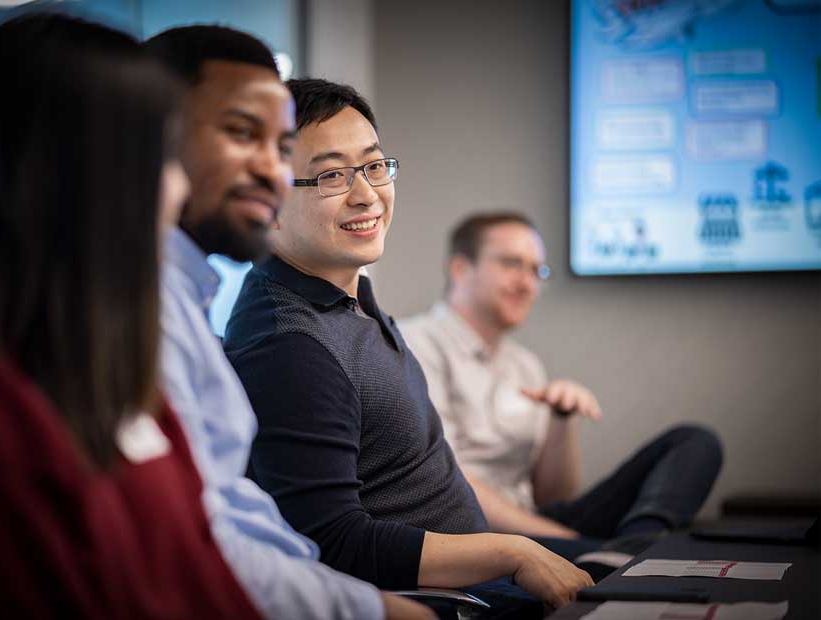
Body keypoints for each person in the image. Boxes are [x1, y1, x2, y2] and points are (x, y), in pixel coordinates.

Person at [0, 13, 258, 618]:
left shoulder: (104, 370)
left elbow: (203, 573)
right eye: (164, 161)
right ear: (85, 177)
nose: (180, 193)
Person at [224, 78, 593, 618]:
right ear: (271, 198)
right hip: (460, 598)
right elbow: (334, 544)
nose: (366, 194)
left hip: (487, 574)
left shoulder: (347, 296)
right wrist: (511, 552)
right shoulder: (290, 347)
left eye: (374, 166)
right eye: (331, 176)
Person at [145, 25, 434, 620]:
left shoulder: (184, 301)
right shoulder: (284, 341)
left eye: (278, 148)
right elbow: (204, 549)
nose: (271, 174)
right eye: (239, 134)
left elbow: (232, 518)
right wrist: (375, 609)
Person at [399, 212, 723, 548]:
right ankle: (623, 556)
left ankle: (636, 545)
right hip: (471, 531)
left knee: (695, 442)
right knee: (593, 550)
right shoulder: (415, 344)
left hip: (531, 520)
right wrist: (572, 542)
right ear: (460, 269)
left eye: (536, 270)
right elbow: (444, 484)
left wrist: (561, 420)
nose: (527, 283)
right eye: (511, 264)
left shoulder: (523, 364)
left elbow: (554, 497)